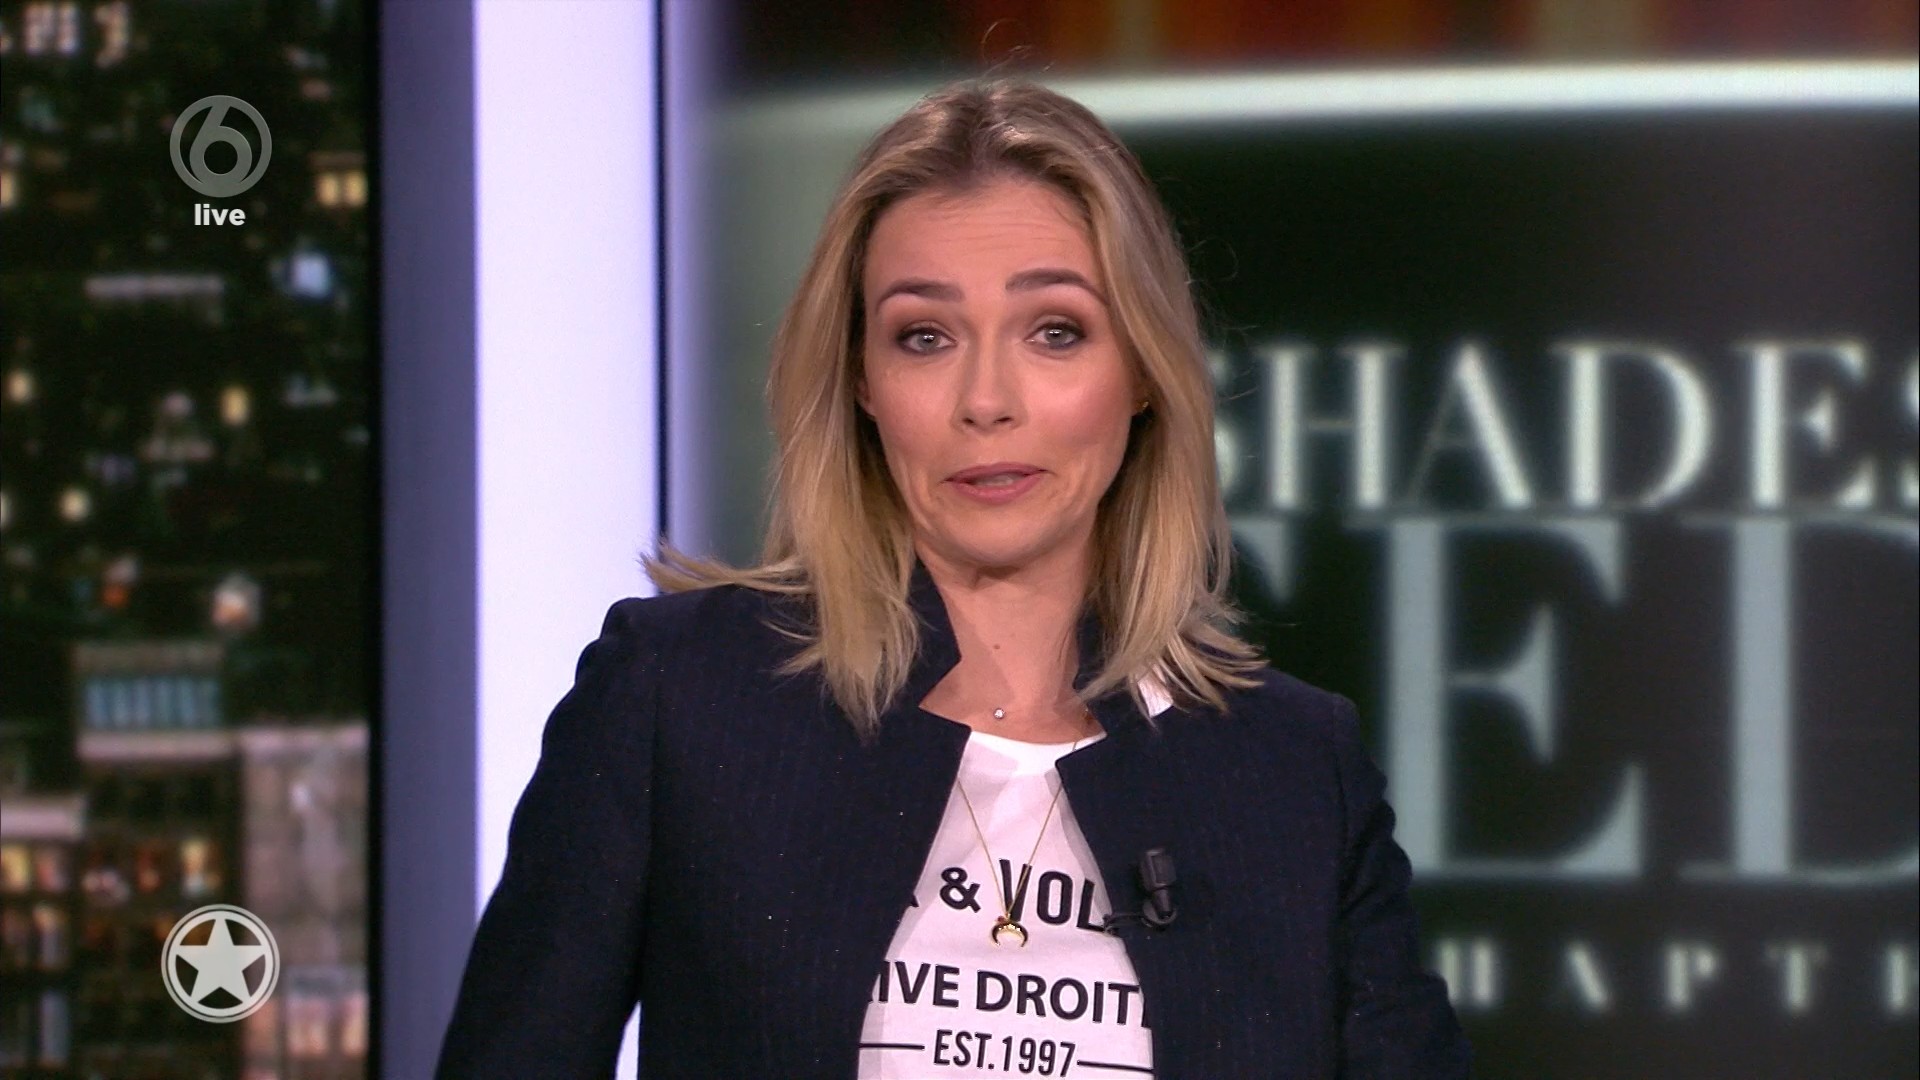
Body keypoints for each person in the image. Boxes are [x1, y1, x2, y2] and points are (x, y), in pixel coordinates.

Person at [435, 78, 1470, 1079]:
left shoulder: (1294, 775)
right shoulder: (680, 701)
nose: (986, 399)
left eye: (1054, 331)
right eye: (924, 337)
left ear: (1144, 371)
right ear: (862, 380)